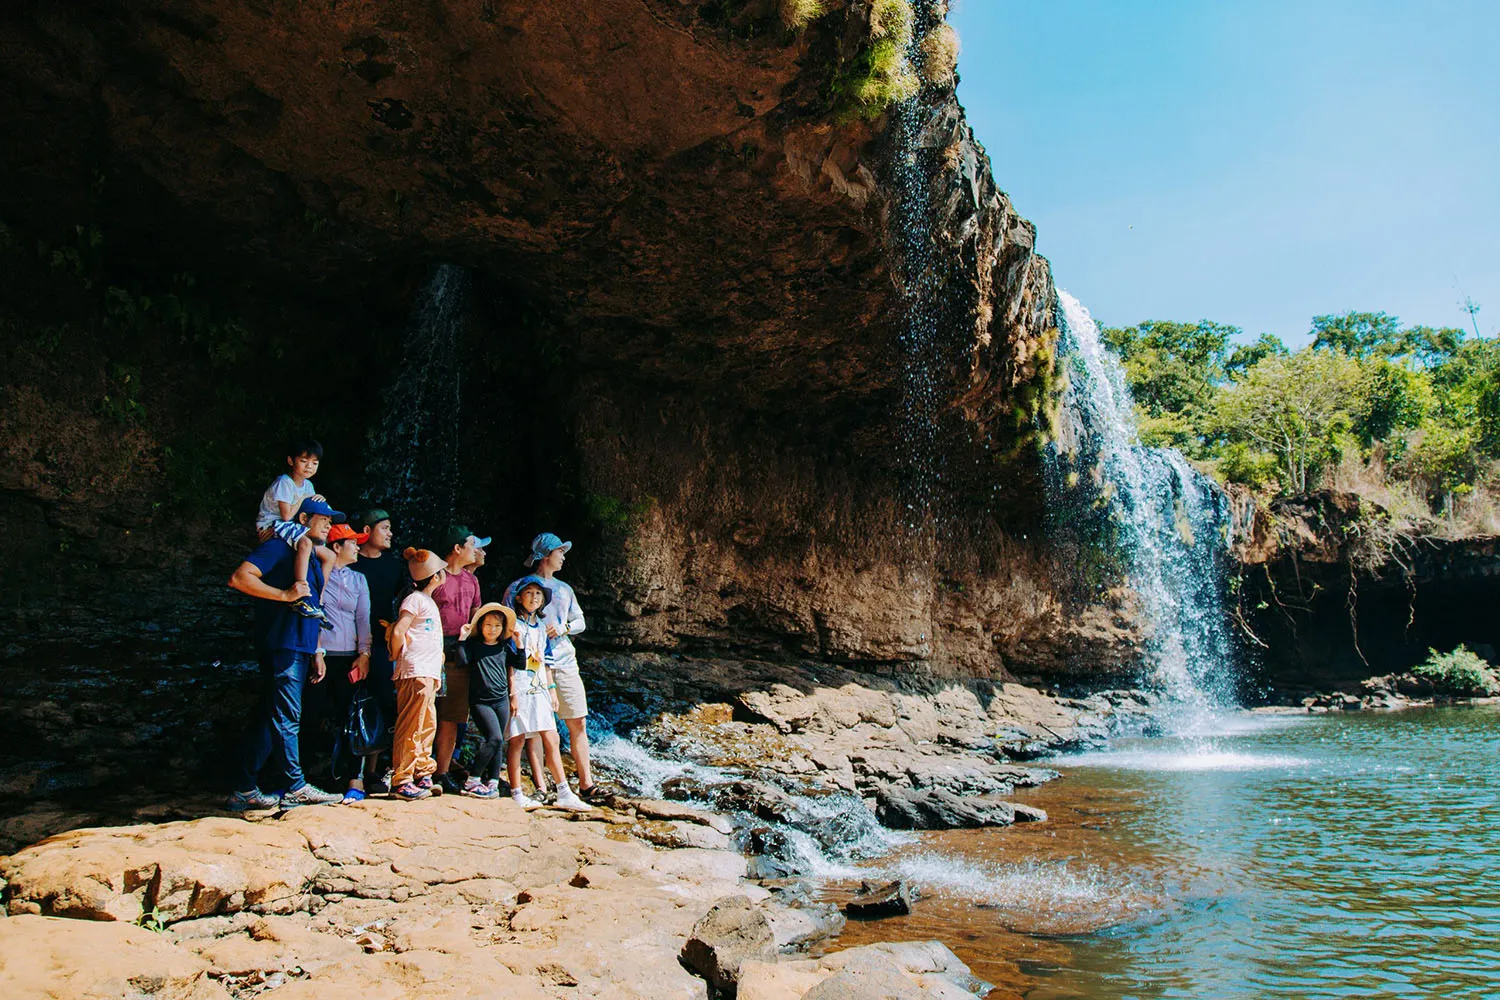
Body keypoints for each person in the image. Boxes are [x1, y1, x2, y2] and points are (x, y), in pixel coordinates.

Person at [226, 497, 346, 810]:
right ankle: (294, 786)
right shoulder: (280, 548)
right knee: (287, 716)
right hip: (283, 642)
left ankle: (244, 788)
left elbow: (313, 606)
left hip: (300, 644)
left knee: (271, 717)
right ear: (304, 517)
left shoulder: (309, 554)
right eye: (323, 519)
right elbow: (240, 577)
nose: (328, 525)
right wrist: (283, 594)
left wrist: (317, 649)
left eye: (331, 521)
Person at [503, 532, 601, 802]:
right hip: (531, 666)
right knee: (535, 727)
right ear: (546, 555)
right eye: (560, 551)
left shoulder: (565, 589)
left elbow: (580, 621)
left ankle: (586, 783)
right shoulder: (516, 588)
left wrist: (563, 628)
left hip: (564, 661)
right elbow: (507, 624)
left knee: (577, 720)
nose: (564, 557)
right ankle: (542, 786)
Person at [316, 522, 375, 803]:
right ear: (336, 547)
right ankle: (303, 778)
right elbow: (312, 612)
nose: (358, 547)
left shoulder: (359, 580)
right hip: (321, 655)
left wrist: (364, 655)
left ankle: (355, 779)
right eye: (352, 543)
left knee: (352, 718)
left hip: (349, 658)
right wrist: (315, 651)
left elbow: (363, 619)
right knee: (312, 715)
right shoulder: (318, 573)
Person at [254, 438, 335, 626]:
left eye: (314, 463)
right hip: (271, 524)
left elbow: (306, 514)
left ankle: (317, 601)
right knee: (305, 543)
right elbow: (287, 515)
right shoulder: (285, 482)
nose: (309, 467)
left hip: (292, 525)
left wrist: (317, 500)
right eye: (304, 461)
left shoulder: (308, 486)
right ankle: (301, 593)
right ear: (291, 461)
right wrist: (305, 499)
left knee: (329, 555)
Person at [387, 547, 446, 800]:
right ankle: (402, 778)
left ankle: (422, 771)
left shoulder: (427, 601)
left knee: (426, 724)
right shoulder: (414, 599)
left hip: (428, 673)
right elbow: (400, 630)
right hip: (416, 671)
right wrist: (395, 654)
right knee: (411, 724)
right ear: (434, 577)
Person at [431, 525, 484, 794]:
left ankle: (441, 773)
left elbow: (477, 617)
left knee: (453, 716)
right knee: (424, 713)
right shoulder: (434, 576)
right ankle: (417, 770)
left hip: (460, 654)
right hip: (431, 652)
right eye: (472, 545)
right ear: (457, 549)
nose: (476, 551)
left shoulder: (471, 581)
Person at [351, 508, 400, 790]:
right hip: (347, 642)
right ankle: (345, 770)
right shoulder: (349, 560)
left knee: (380, 701)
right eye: (385, 528)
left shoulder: (393, 566)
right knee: (348, 701)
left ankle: (372, 770)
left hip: (380, 643)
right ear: (366, 531)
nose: (390, 533)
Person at [456, 602, 517, 798]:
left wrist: (520, 642)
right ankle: (472, 780)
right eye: (488, 625)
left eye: (497, 626)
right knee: (495, 738)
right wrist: (462, 639)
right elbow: (462, 661)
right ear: (481, 626)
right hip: (481, 701)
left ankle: (493, 781)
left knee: (498, 742)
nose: (492, 630)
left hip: (501, 699)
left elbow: (521, 663)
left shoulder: (504, 646)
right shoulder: (474, 646)